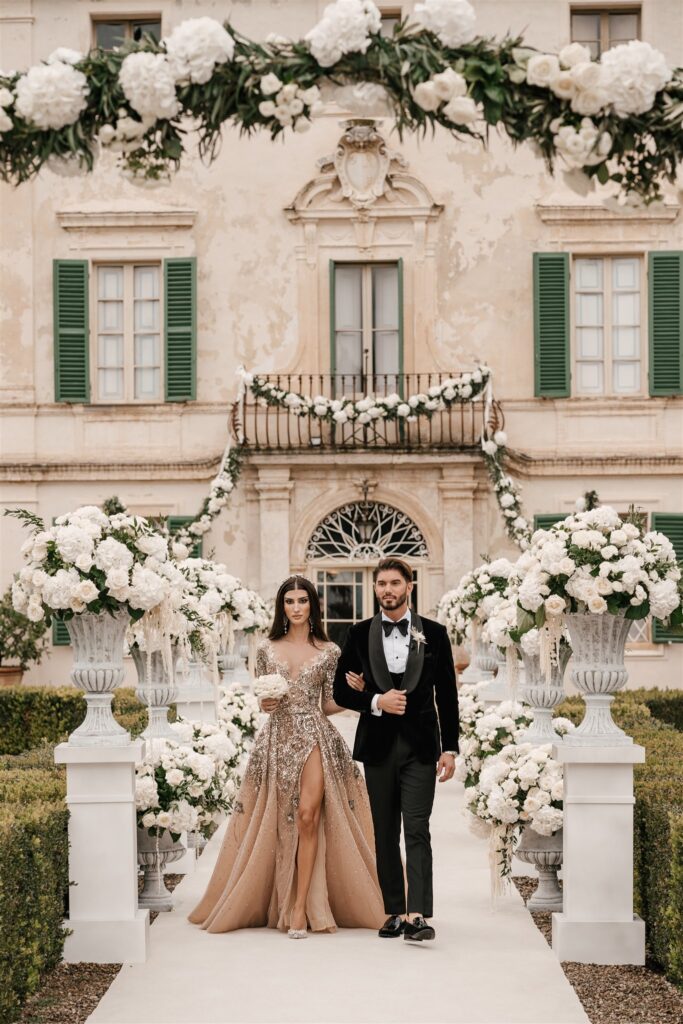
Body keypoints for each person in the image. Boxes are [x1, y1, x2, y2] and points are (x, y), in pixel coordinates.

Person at [188, 575, 384, 938]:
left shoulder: (329, 651)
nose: (296, 608)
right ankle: (276, 896)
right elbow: (265, 703)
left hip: (314, 736)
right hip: (277, 738)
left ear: (312, 605)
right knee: (280, 818)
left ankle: (299, 908)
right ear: (282, 607)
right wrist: (266, 703)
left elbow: (326, 703)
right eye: (289, 602)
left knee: (309, 815)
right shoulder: (266, 649)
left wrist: (355, 693)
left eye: (302, 601)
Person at [333, 557, 460, 942]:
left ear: (410, 586)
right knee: (385, 832)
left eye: (394, 583)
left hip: (422, 747)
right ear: (375, 589)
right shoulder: (357, 634)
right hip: (378, 747)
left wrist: (450, 748)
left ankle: (418, 915)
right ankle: (394, 911)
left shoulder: (435, 634)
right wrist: (374, 701)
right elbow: (339, 691)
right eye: (381, 584)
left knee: (417, 829)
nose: (387, 590)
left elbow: (448, 697)